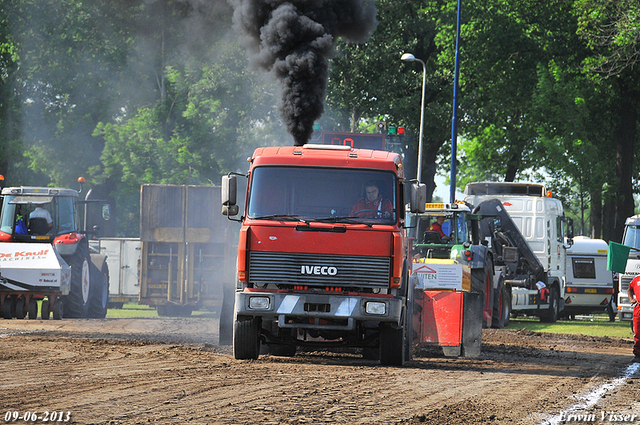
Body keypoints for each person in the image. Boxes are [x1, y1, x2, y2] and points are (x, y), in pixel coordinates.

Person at [628, 275, 640, 360]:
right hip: (638, 308)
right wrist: (631, 299)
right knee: (638, 331)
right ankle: (637, 354)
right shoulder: (636, 279)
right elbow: (630, 289)